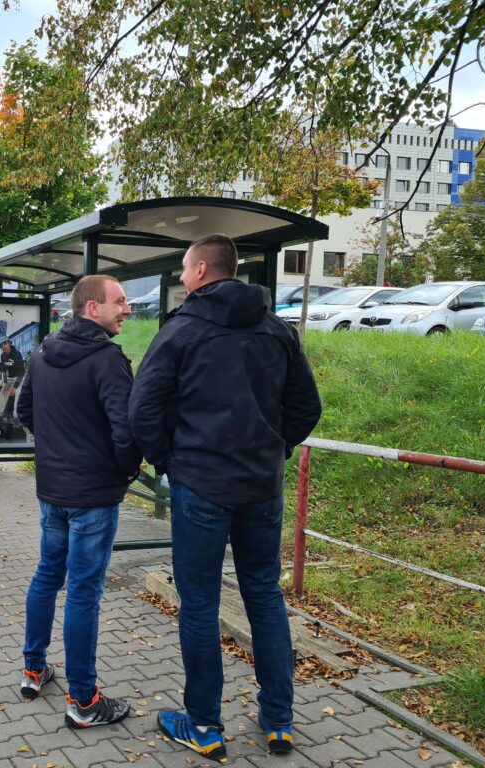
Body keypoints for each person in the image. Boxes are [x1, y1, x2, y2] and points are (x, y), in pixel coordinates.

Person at [128, 234, 322, 760]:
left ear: (199, 271)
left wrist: (171, 460)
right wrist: (273, 449)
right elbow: (307, 408)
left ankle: (205, 727)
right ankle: (279, 721)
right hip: (261, 488)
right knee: (264, 595)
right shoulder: (277, 330)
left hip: (201, 487)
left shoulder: (181, 331)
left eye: (187, 269)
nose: (185, 276)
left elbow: (143, 408)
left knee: (200, 604)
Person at [16, 275, 141, 728]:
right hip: (93, 495)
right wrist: (125, 471)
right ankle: (84, 701)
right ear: (93, 308)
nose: (126, 309)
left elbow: (23, 411)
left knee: (47, 576)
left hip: (53, 492)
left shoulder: (44, 351)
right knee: (84, 593)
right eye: (120, 301)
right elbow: (125, 430)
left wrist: (54, 452)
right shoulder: (107, 360)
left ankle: (34, 671)